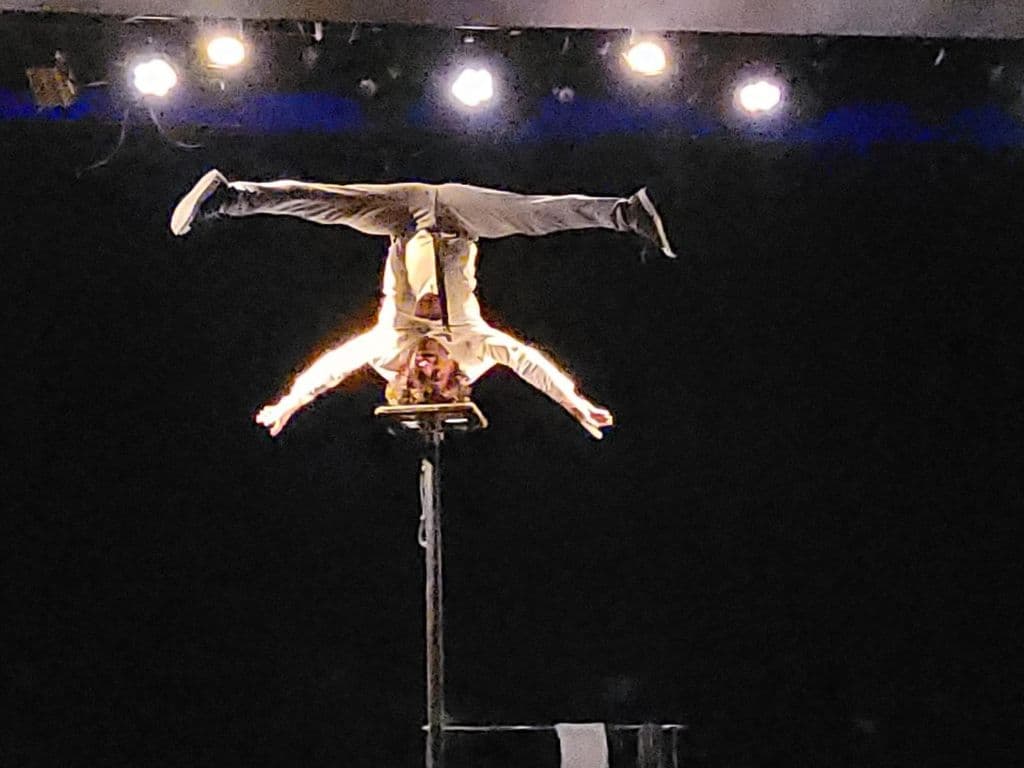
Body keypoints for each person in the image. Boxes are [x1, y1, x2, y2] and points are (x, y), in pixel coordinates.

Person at [170, 170, 675, 439]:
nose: (424, 367)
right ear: (457, 381)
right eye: (436, 379)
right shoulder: (478, 351)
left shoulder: (386, 350)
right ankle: (627, 214)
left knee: (329, 204)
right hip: (461, 218)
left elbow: (332, 368)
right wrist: (573, 402)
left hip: (403, 218)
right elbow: (529, 363)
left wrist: (291, 402)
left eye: (415, 378)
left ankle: (229, 198)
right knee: (531, 216)